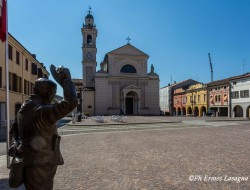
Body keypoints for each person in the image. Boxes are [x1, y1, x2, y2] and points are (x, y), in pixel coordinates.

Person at [8, 65, 78, 190]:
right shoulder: (41, 111)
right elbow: (71, 102)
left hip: (28, 161)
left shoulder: (23, 109)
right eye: (54, 94)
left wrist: (14, 144)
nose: (53, 97)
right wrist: (67, 80)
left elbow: (14, 130)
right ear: (49, 94)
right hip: (41, 163)